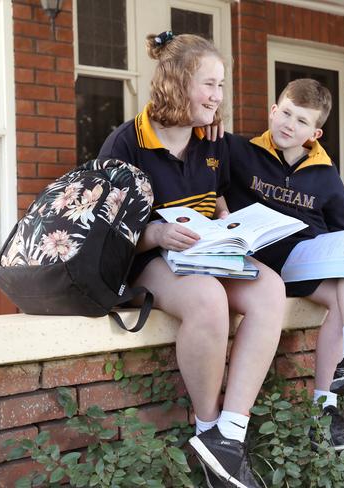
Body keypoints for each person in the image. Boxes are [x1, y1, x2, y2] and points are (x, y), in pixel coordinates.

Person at [98, 31, 285, 488]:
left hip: (207, 252)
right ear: (178, 83)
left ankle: (229, 437)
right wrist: (156, 232)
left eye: (221, 85)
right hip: (150, 259)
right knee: (206, 299)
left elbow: (218, 197)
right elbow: (102, 230)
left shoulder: (213, 140)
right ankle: (206, 428)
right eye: (209, 85)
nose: (218, 96)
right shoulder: (126, 143)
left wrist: (226, 221)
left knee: (270, 288)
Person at [224, 78, 344, 450]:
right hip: (257, 260)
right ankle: (330, 402)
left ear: (314, 132)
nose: (289, 125)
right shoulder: (237, 151)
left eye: (301, 121)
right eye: (285, 113)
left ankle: (342, 379)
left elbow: (342, 238)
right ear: (273, 110)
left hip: (304, 261)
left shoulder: (326, 176)